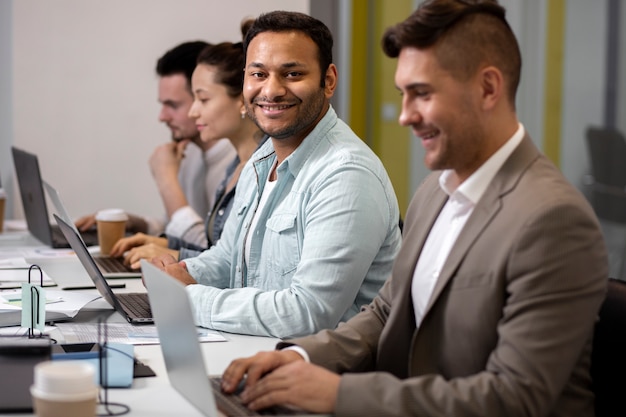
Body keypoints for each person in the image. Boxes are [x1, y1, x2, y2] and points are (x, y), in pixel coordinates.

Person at [219, 1, 609, 415]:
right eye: (404, 94)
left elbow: (515, 398)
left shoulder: (552, 219)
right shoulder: (434, 191)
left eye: (422, 94)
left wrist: (337, 395)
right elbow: (388, 311)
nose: (405, 116)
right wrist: (300, 358)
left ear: (488, 89)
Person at [150, 11, 402, 339]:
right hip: (256, 351)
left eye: (292, 73)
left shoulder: (345, 174)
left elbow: (309, 313)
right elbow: (229, 260)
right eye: (258, 74)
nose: (271, 90)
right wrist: (177, 273)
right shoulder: (263, 158)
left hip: (324, 373)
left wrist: (187, 297)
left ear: (328, 81)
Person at [110, 22, 268, 268]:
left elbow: (237, 265)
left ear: (242, 100)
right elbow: (216, 247)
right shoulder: (232, 165)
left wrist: (177, 255)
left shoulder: (261, 169)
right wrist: (163, 242)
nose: (195, 111)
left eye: (202, 99)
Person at [76, 41, 236, 242]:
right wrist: (134, 224)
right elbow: (176, 227)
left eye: (173, 105)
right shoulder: (191, 151)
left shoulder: (238, 163)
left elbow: (210, 251)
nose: (162, 117)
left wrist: (166, 180)